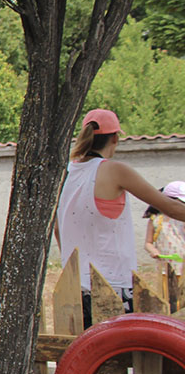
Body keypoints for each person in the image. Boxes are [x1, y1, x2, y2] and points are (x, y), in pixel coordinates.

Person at [55, 109, 185, 327]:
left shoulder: (65, 173)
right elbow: (170, 207)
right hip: (112, 286)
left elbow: (58, 230)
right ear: (115, 138)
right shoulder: (114, 171)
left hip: (74, 286)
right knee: (119, 356)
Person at [144, 180, 185, 279]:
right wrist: (153, 251)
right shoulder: (155, 219)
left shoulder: (183, 218)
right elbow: (148, 243)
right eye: (180, 203)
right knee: (167, 291)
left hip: (183, 267)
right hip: (165, 269)